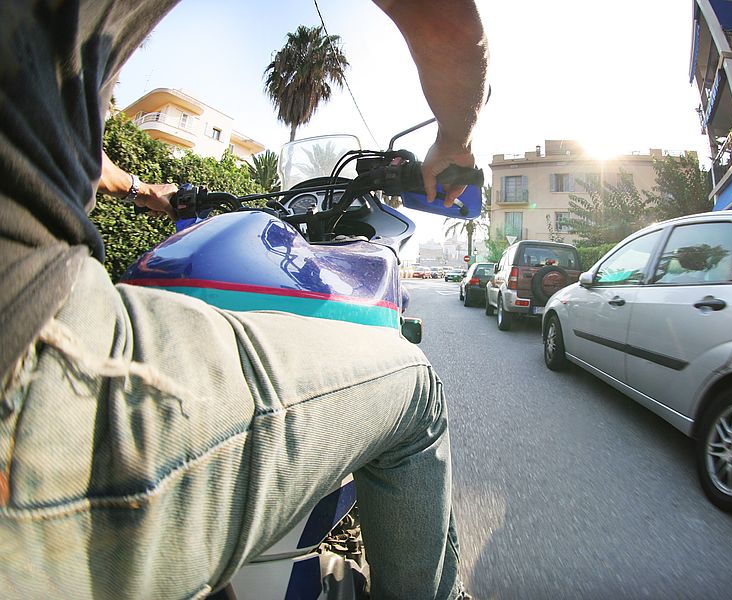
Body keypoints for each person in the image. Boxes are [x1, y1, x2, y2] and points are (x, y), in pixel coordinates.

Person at [0, 1, 488, 598]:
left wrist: (141, 186)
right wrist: (455, 144)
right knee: (417, 388)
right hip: (31, 388)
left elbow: (62, 141)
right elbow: (443, 16)